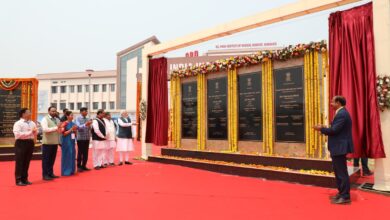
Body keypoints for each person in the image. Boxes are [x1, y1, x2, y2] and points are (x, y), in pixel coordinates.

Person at [313, 96, 354, 205]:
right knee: (338, 172)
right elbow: (335, 128)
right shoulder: (340, 113)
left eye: (332, 102)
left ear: (338, 103)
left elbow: (334, 130)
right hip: (337, 147)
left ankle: (345, 196)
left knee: (341, 173)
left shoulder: (342, 114)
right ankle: (341, 193)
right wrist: (324, 127)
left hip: (339, 147)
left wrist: (320, 129)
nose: (331, 104)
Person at [13, 108, 37, 186]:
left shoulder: (32, 123)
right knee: (20, 162)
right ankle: (18, 180)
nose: (30, 113)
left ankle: (25, 179)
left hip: (30, 142)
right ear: (23, 114)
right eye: (28, 112)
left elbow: (35, 132)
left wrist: (34, 135)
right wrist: (30, 132)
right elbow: (17, 134)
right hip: (21, 143)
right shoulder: (18, 123)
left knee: (27, 162)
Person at [41, 106, 61, 181]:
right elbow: (45, 129)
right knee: (46, 160)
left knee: (52, 160)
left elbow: (59, 129)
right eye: (52, 111)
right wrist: (56, 128)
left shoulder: (57, 119)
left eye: (55, 111)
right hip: (47, 143)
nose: (54, 112)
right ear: (48, 111)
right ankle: (45, 175)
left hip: (55, 142)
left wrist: (61, 129)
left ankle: (50, 173)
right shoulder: (45, 119)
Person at [60, 111, 78, 176]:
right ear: (67, 116)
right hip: (66, 141)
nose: (72, 116)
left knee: (72, 154)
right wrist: (71, 129)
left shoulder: (73, 123)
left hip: (72, 141)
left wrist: (75, 131)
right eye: (70, 115)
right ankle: (66, 171)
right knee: (67, 155)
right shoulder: (64, 123)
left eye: (72, 115)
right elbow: (63, 133)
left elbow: (75, 133)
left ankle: (72, 170)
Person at [75, 107, 92, 172]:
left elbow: (89, 128)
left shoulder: (88, 119)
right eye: (85, 111)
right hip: (80, 138)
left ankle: (84, 165)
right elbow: (78, 127)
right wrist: (86, 124)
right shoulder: (77, 118)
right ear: (81, 112)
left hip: (87, 137)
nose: (86, 112)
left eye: (87, 111)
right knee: (80, 152)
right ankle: (79, 166)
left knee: (86, 153)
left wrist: (90, 125)